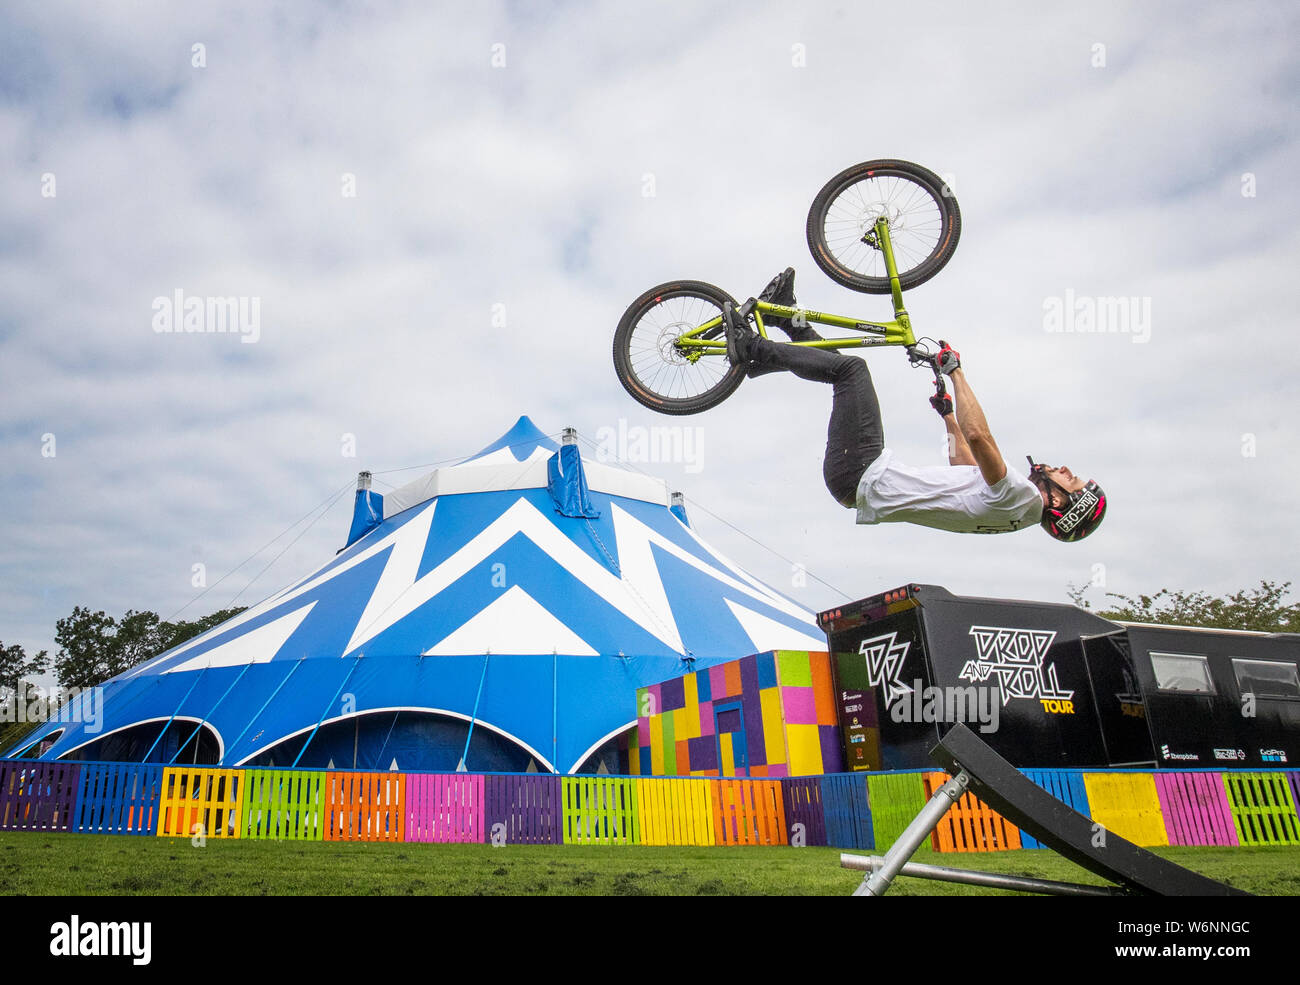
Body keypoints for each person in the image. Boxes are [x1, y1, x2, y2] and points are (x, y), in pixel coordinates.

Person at [724, 268, 1107, 540]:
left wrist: (957, 372)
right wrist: (948, 416)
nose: (1066, 469)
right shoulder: (1014, 514)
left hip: (861, 475)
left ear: (1059, 501)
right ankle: (788, 318)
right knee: (843, 373)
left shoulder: (1022, 497)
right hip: (855, 482)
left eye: (1070, 479)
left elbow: (980, 439)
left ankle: (753, 347)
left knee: (851, 371)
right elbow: (966, 467)